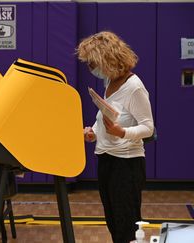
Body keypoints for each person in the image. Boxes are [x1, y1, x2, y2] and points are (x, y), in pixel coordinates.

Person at [76, 31, 154, 243]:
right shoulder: (110, 82)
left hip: (127, 164)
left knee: (126, 225)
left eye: (93, 63)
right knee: (113, 221)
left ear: (107, 59)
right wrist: (93, 131)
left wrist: (123, 133)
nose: (91, 69)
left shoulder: (134, 87)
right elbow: (106, 116)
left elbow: (148, 127)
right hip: (107, 159)